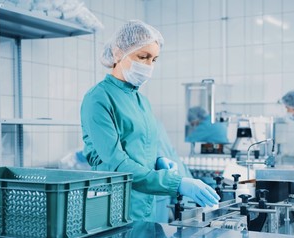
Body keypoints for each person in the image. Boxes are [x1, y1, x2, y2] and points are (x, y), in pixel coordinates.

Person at [80, 20, 219, 222]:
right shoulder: (98, 98)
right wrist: (176, 183)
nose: (148, 66)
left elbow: (138, 148)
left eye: (153, 59)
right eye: (143, 57)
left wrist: (157, 161)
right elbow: (116, 164)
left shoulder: (141, 100)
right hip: (114, 207)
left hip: (145, 205)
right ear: (118, 53)